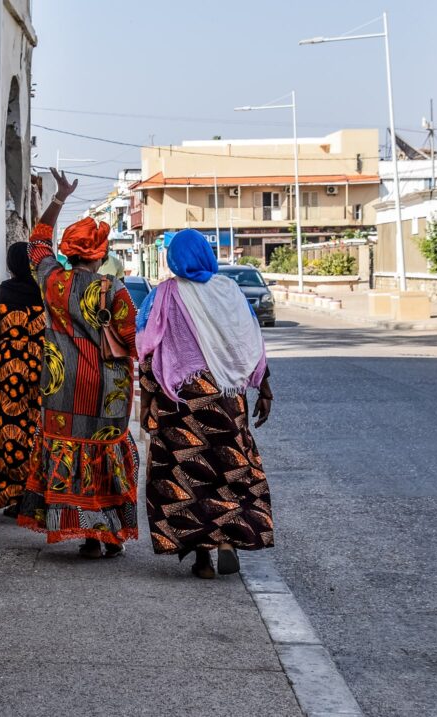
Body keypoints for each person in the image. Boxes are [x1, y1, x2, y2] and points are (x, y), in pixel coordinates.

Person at [136, 228, 274, 579]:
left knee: (188, 476)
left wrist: (147, 400)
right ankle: (228, 540)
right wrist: (265, 387)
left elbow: (151, 349)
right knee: (231, 471)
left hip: (181, 401)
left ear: (173, 260)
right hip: (228, 398)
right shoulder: (229, 292)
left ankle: (202, 558)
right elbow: (251, 340)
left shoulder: (165, 294)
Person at [17, 169, 139, 558]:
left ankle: (84, 532)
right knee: (103, 454)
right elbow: (134, 340)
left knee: (68, 449)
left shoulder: (52, 281)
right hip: (107, 389)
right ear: (100, 253)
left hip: (61, 385)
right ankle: (105, 533)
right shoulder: (115, 290)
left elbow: (36, 243)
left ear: (69, 253)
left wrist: (58, 199)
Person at [0, 242, 46, 516]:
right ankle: (38, 495)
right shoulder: (44, 293)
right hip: (41, 368)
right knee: (39, 429)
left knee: (11, 432)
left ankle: (15, 498)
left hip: (10, 369)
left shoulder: (1, 293)